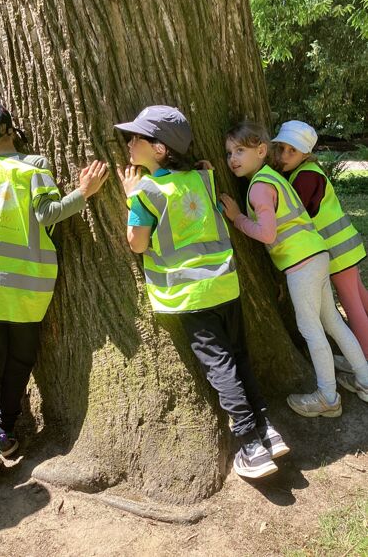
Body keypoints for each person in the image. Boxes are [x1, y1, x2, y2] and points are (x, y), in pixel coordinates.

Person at [115, 105, 289, 479]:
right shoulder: (203, 178)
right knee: (239, 356)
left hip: (191, 297)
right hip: (225, 285)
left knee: (221, 367)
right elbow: (204, 174)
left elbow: (137, 243)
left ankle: (250, 445)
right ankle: (266, 429)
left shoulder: (146, 192)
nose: (128, 143)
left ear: (159, 149)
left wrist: (131, 197)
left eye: (136, 137)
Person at [0, 99, 109, 472]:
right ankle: (5, 431)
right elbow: (49, 214)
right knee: (20, 360)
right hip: (29, 288)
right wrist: (84, 192)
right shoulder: (34, 167)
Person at [221, 121, 368, 418]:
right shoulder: (273, 177)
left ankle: (328, 396)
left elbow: (267, 234)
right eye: (229, 153)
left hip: (302, 265)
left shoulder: (259, 188)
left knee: (311, 330)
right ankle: (365, 380)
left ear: (261, 151)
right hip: (318, 255)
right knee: (333, 324)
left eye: (240, 151)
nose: (232, 159)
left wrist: (237, 218)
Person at [272, 121, 368, 401]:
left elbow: (294, 214)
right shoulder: (306, 172)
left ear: (306, 153)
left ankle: (365, 365)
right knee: (360, 299)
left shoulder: (305, 177)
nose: (284, 155)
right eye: (282, 148)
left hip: (336, 252)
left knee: (353, 307)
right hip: (346, 247)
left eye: (292, 150)